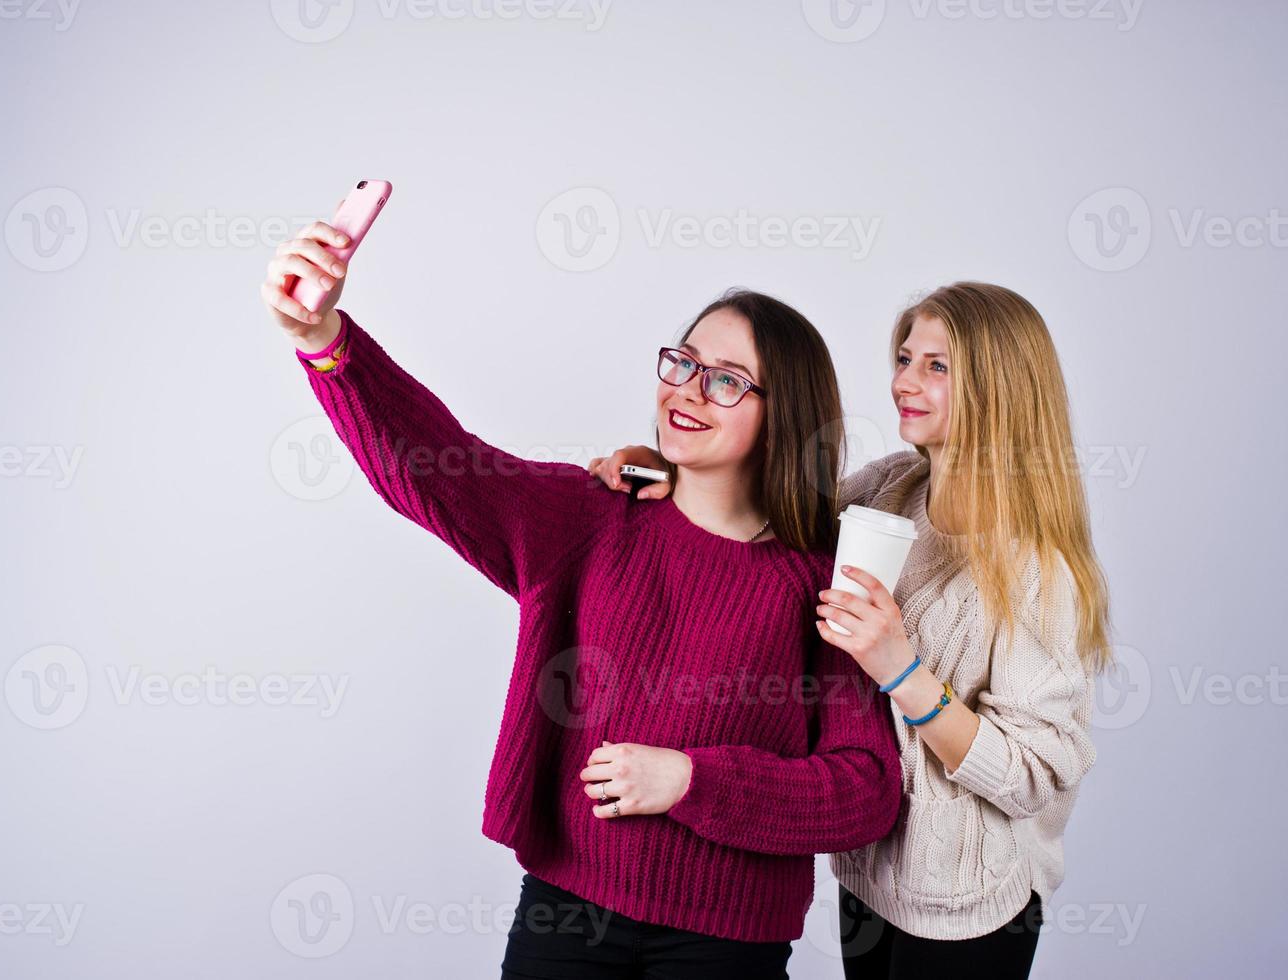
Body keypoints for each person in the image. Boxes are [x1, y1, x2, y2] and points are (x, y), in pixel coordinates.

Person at [259, 215, 904, 979]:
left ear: (783, 411)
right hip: (563, 917)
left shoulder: (820, 581)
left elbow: (862, 791)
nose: (688, 390)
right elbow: (435, 469)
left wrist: (691, 780)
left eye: (725, 380)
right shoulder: (589, 516)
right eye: (682, 363)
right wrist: (325, 340)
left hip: (728, 943)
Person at [587, 281, 1111, 978]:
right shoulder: (890, 488)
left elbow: (1032, 778)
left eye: (936, 366)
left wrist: (900, 670)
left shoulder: (1036, 571)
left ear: (1000, 388)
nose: (903, 382)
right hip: (872, 877)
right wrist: (667, 465)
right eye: (903, 357)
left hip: (972, 902)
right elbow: (776, 526)